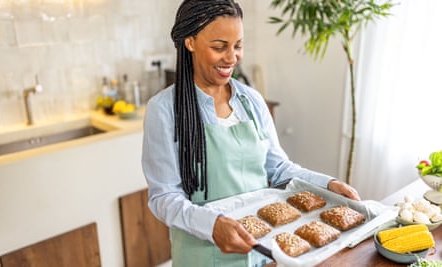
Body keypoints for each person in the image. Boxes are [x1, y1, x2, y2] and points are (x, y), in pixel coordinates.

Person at [141, 0, 361, 266]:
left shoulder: (251, 100)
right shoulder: (164, 110)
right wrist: (213, 225)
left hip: (261, 251)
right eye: (219, 47)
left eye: (238, 46)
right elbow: (164, 197)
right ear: (190, 42)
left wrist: (329, 184)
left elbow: (278, 168)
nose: (232, 57)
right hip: (202, 255)